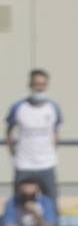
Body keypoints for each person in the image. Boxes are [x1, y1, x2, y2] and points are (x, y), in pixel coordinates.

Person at [6, 69, 62, 209]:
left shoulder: (53, 108)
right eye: (36, 84)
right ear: (30, 85)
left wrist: (51, 151)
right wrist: (13, 152)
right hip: (24, 164)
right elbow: (9, 131)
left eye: (42, 84)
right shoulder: (18, 107)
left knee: (51, 204)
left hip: (46, 165)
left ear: (46, 86)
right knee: (19, 204)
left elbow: (55, 132)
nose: (39, 87)